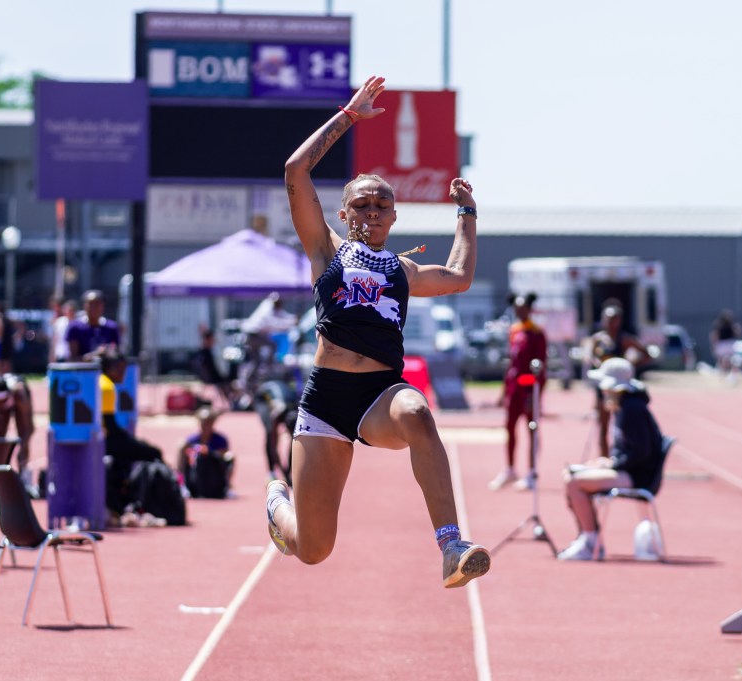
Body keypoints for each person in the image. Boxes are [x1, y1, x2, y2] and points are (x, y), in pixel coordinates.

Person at [266, 75, 490, 589]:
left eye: (380, 205)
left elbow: (458, 277)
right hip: (326, 399)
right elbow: (295, 170)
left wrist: (466, 212)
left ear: (393, 216)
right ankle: (278, 504)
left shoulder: (401, 270)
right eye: (361, 205)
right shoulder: (326, 249)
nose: (371, 212)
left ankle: (451, 545)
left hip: (379, 395)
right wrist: (349, 116)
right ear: (343, 213)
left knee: (417, 412)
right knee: (313, 550)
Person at [557, 358, 664, 561]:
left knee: (575, 483)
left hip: (638, 476)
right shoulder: (625, 406)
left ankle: (590, 542)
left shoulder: (632, 409)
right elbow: (628, 450)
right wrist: (607, 462)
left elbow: (640, 452)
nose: (602, 391)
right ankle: (587, 536)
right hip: (629, 470)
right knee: (570, 475)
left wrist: (612, 464)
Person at [98, 350, 163, 520]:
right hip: (105, 442)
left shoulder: (98, 381)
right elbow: (111, 427)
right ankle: (142, 503)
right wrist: (135, 442)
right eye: (121, 369)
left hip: (99, 440)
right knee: (153, 453)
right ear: (112, 368)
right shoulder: (107, 387)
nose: (124, 374)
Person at [491, 293, 547, 491]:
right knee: (510, 427)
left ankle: (531, 472)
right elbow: (512, 363)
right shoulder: (515, 331)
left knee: (532, 430)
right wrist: (503, 392)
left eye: (523, 307)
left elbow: (540, 367)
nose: (519, 311)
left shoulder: (537, 333)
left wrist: (534, 395)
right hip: (514, 388)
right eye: (517, 307)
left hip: (528, 389)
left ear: (530, 309)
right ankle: (510, 469)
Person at [583, 300, 651, 458]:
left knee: (622, 424)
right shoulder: (598, 339)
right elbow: (588, 356)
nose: (610, 323)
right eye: (607, 319)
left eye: (614, 319)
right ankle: (604, 458)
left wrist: (630, 365)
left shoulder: (625, 339)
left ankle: (622, 456)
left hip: (620, 388)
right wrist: (599, 364)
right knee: (603, 426)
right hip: (604, 386)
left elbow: (646, 354)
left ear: (619, 320)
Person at [0, 373, 36, 492]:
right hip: (3, 400)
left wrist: (22, 448)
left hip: (18, 400)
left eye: (2, 401)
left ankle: (24, 473)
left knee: (22, 432)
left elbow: (29, 428)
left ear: (8, 396)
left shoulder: (20, 395)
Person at [179, 408, 235, 499]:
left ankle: (226, 486)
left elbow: (224, 455)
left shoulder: (220, 439)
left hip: (214, 468)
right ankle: (183, 484)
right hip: (195, 468)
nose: (206, 425)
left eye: (209, 422)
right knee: (184, 450)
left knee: (231, 456)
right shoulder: (191, 439)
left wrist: (210, 453)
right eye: (203, 422)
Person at [254, 378, 299, 483]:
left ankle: (288, 472)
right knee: (270, 433)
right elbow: (273, 445)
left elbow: (294, 442)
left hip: (284, 400)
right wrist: (283, 471)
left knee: (296, 440)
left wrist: (288, 471)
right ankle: (271, 472)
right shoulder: (277, 413)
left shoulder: (297, 410)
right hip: (263, 398)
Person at [66, 289, 120, 361]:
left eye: (97, 304)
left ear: (103, 306)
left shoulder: (111, 327)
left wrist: (109, 353)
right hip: (83, 368)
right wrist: (95, 354)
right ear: (84, 306)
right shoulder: (75, 327)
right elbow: (73, 359)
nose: (94, 308)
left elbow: (117, 354)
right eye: (91, 304)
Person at [710, 310, 741, 380]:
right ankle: (724, 372)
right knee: (723, 360)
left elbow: (714, 335)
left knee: (728, 360)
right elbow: (715, 335)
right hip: (724, 344)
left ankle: (730, 372)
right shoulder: (720, 325)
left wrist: (714, 345)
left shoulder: (731, 325)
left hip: (728, 343)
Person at [51, 299, 76, 363]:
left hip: (74, 356)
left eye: (71, 310)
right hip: (60, 354)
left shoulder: (78, 323)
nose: (70, 312)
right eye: (68, 310)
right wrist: (52, 354)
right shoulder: (59, 322)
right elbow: (55, 339)